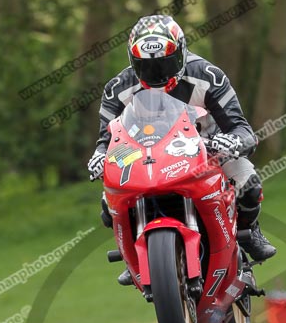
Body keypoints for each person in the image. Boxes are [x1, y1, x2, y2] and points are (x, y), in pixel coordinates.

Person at [87, 15, 276, 285]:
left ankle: (248, 232)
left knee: (250, 184)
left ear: (181, 52)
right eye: (147, 66)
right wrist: (99, 157)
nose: (157, 74)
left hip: (208, 146)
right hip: (143, 154)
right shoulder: (117, 89)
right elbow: (106, 140)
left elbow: (242, 129)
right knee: (109, 203)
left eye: (165, 63)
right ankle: (133, 255)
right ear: (133, 61)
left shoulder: (208, 76)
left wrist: (232, 142)